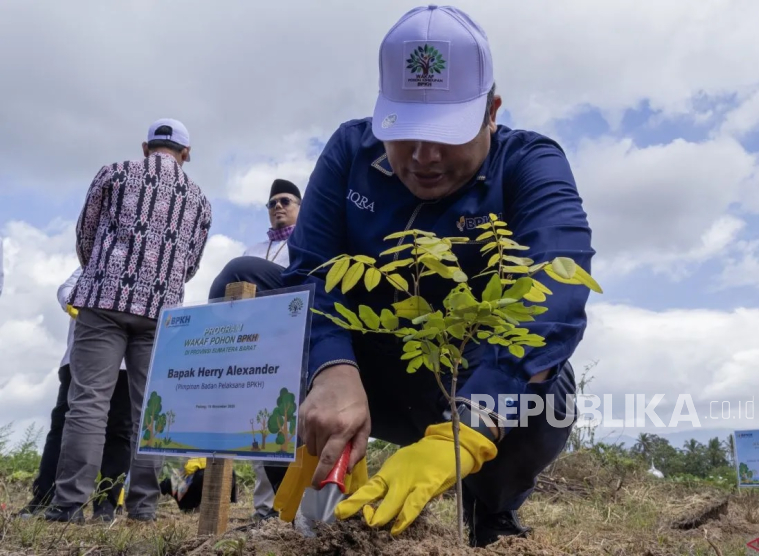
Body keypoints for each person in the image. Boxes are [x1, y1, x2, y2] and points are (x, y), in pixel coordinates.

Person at [209, 5, 596, 547]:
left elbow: (555, 290)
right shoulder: (351, 151)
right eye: (406, 131)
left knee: (551, 386)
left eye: (447, 133)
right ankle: (308, 498)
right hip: (372, 372)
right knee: (247, 280)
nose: (424, 156)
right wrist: (332, 367)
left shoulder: (528, 165)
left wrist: (468, 427)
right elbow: (311, 272)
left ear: (492, 112)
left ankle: (491, 510)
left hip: (469, 376)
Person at [45, 118, 212, 523]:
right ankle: (143, 508)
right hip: (160, 312)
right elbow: (190, 265)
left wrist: (104, 272)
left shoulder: (113, 173)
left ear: (145, 146)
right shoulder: (200, 199)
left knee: (87, 404)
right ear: (186, 154)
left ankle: (68, 507)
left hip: (103, 299)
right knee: (148, 413)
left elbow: (86, 234)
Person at [213, 178, 303, 520]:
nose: (278, 207)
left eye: (285, 201)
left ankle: (290, 507)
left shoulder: (310, 240)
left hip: (290, 344)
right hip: (255, 346)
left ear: (300, 207)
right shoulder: (252, 249)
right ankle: (266, 510)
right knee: (259, 427)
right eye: (271, 203)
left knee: (287, 424)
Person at [18, 267, 132, 521]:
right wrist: (83, 305)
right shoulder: (97, 259)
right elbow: (65, 290)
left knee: (120, 431)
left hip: (127, 364)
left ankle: (105, 505)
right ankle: (45, 497)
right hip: (81, 358)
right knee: (63, 426)